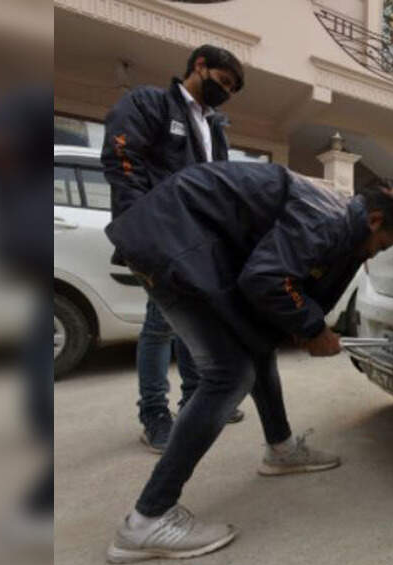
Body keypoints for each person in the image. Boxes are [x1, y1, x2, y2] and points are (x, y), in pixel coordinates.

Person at [103, 161, 393, 563]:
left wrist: (299, 321)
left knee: (257, 346)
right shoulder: (328, 220)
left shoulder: (334, 214)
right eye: (383, 245)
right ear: (373, 221)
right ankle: (147, 520)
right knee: (229, 376)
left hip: (176, 237)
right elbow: (266, 279)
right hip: (174, 243)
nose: (374, 255)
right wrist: (313, 327)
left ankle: (280, 449)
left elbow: (272, 275)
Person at [101, 44, 247, 453]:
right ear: (199, 66)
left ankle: (194, 403)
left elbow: (217, 184)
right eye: (223, 81)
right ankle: (154, 416)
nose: (226, 92)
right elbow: (120, 156)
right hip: (156, 235)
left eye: (233, 89)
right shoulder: (150, 103)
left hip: (195, 241)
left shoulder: (214, 126)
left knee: (191, 322)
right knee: (160, 325)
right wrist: (141, 226)